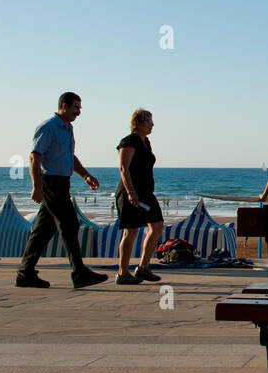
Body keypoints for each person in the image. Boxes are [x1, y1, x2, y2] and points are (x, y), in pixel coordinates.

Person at [16, 92, 109, 289]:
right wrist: (37, 186)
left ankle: (25, 273)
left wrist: (85, 175)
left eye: (80, 108)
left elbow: (69, 156)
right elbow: (35, 157)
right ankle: (79, 272)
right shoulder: (49, 127)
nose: (79, 112)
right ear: (64, 106)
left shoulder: (68, 129)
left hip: (62, 181)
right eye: (76, 107)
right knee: (69, 223)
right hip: (50, 182)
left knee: (44, 230)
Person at [113, 109, 164, 285]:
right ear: (140, 122)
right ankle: (123, 272)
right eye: (149, 121)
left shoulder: (145, 142)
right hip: (131, 192)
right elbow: (123, 168)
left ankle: (143, 268)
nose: (152, 124)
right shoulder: (129, 141)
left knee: (157, 226)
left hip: (146, 193)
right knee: (131, 230)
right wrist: (130, 192)